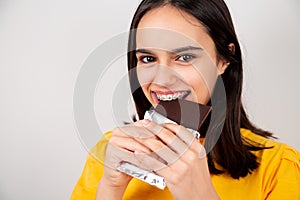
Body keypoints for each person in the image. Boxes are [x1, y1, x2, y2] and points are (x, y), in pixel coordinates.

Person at [71, 0, 300, 199]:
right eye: (148, 58)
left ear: (223, 60)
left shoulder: (278, 167)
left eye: (184, 57)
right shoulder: (109, 152)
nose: (161, 79)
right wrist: (110, 188)